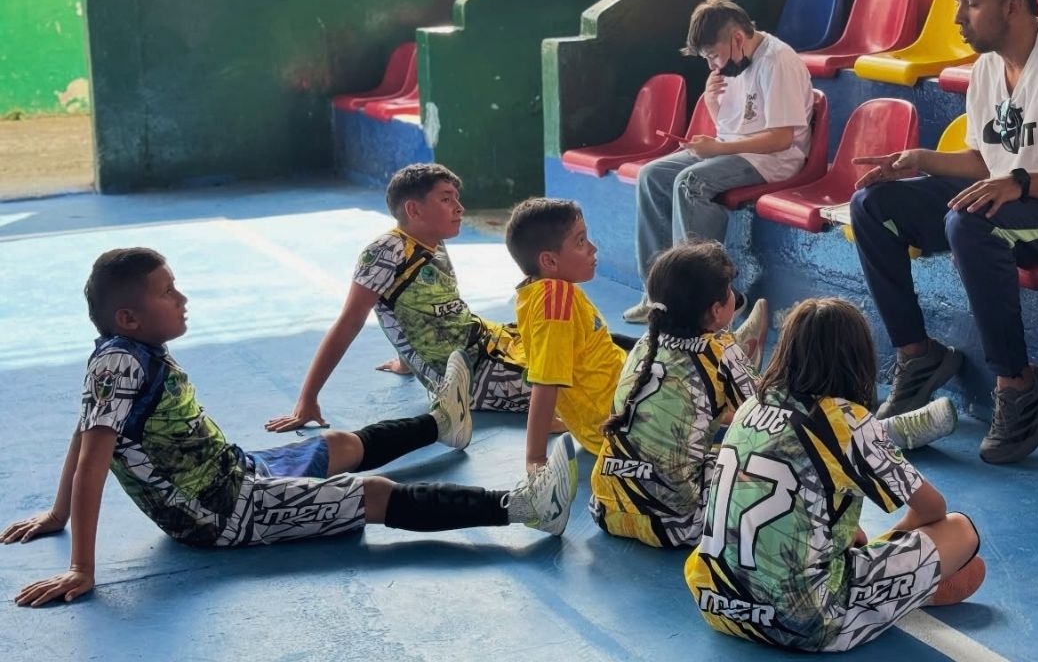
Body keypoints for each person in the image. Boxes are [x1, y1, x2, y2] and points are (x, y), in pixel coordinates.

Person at [4, 248, 576, 608]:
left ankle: (441, 423)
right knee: (369, 494)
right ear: (129, 316)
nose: (182, 299)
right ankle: (523, 507)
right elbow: (92, 455)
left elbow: (85, 430)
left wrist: (57, 515)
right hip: (224, 513)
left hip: (233, 472)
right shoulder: (121, 362)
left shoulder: (121, 351)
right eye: (167, 292)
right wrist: (81, 565)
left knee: (335, 445)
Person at [849, 0, 1038, 464]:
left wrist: (1019, 183)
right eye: (958, 4)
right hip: (1011, 196)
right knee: (872, 204)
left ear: (1013, 6)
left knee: (970, 224)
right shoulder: (985, 70)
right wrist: (919, 160)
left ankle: (1019, 384)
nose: (957, 18)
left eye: (971, 3)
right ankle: (918, 355)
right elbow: (986, 161)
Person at [684, 298, 985, 652]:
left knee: (843, 528)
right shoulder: (847, 419)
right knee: (960, 531)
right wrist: (886, 542)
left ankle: (891, 583)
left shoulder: (751, 405)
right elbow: (933, 509)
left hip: (716, 602)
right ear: (858, 358)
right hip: (804, 624)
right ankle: (897, 592)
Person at [269, 163, 531, 434]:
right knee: (561, 381)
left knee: (567, 343)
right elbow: (349, 322)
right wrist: (307, 399)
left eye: (456, 198)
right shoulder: (385, 252)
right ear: (413, 210)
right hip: (469, 377)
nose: (459, 207)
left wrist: (407, 362)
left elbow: (414, 307)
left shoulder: (432, 240)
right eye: (445, 199)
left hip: (487, 339)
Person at [626, 0, 814, 323]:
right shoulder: (733, 63)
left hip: (773, 159)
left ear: (737, 38)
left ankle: (709, 296)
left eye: (713, 55)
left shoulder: (778, 60)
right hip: (737, 151)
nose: (713, 65)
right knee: (652, 175)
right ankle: (659, 294)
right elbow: (732, 130)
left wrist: (717, 149)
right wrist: (714, 107)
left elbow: (782, 139)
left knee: (691, 182)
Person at [589, 241, 768, 549]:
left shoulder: (647, 342)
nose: (733, 295)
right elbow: (770, 419)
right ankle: (746, 355)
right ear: (715, 311)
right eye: (729, 291)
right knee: (768, 476)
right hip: (677, 526)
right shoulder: (720, 350)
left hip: (606, 511)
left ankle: (736, 373)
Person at [505, 198, 630, 476]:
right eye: (581, 241)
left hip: (619, 394)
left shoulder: (538, 291)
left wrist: (556, 421)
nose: (593, 248)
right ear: (549, 260)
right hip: (622, 423)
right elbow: (544, 381)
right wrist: (536, 458)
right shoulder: (557, 301)